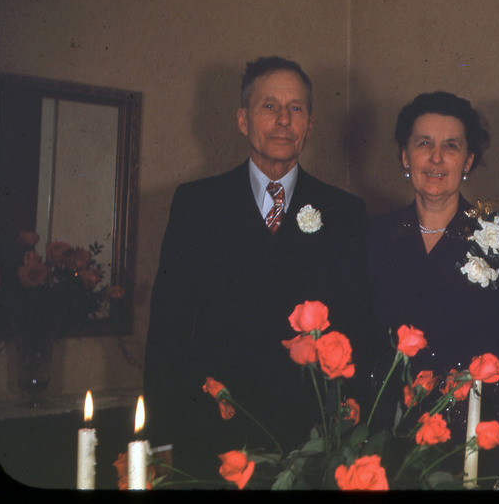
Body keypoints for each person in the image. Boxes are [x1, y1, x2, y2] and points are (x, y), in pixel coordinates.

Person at [143, 56, 370, 483]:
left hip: (312, 442)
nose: (284, 120)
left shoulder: (344, 211)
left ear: (311, 122)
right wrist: (159, 437)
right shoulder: (197, 205)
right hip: (213, 435)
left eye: (296, 108)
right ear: (243, 120)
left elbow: (358, 325)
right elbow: (168, 329)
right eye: (269, 106)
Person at [367, 91, 499, 485]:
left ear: (468, 160)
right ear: (405, 155)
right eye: (424, 144)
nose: (436, 158)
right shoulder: (373, 238)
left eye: (450, 146)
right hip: (389, 447)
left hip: (477, 445)